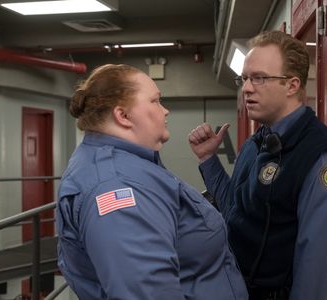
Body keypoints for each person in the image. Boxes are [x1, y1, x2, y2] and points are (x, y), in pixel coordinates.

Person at [55, 64, 248, 300]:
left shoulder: (133, 164)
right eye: (155, 101)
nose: (165, 111)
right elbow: (145, 292)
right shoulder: (116, 186)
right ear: (123, 116)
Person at [188, 31, 327, 300]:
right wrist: (209, 159)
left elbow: (315, 262)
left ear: (291, 85)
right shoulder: (258, 142)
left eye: (259, 78)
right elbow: (235, 210)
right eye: (244, 79)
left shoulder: (322, 159)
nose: (247, 88)